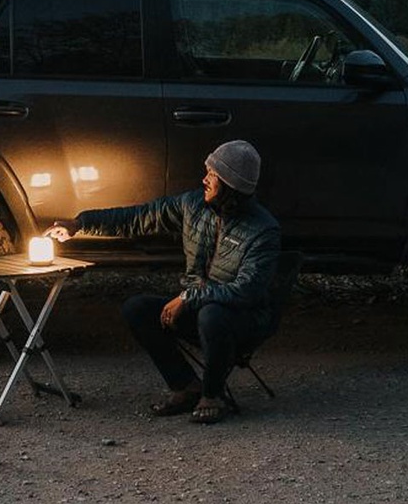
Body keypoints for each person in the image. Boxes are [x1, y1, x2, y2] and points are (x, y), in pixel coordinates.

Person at [47, 139, 280, 425]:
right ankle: (186, 386)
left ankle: (213, 395)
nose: (204, 180)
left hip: (242, 320)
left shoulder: (262, 229)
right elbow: (138, 217)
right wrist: (80, 224)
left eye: (212, 175)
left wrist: (188, 297)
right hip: (200, 309)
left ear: (231, 185)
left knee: (212, 314)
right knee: (138, 309)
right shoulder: (193, 205)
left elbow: (247, 291)